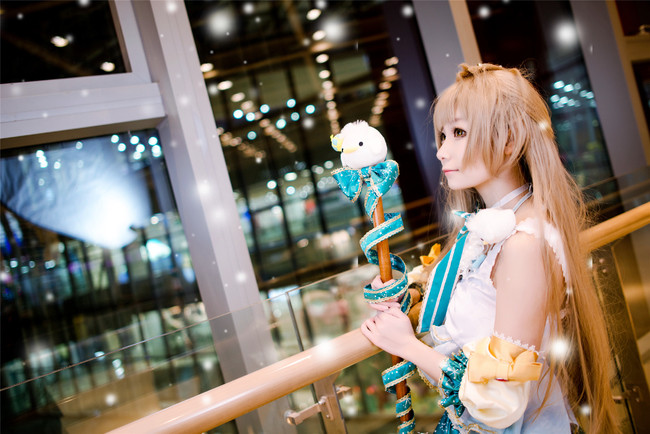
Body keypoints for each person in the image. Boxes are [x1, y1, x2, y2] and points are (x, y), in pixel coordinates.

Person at [360, 63, 618, 433]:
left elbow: (500, 400)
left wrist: (408, 347)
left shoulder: (524, 244)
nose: (442, 152)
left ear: (509, 141)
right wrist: (410, 295)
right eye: (443, 135)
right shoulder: (490, 228)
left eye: (459, 133)